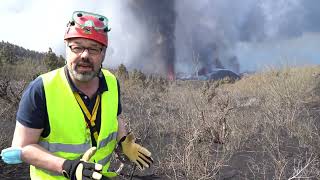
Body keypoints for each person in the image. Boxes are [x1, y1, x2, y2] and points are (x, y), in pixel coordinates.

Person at [10, 10, 153, 179]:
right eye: (77, 47)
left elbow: (115, 117)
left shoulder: (112, 82)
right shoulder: (41, 89)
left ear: (103, 54)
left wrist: (124, 142)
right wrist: (68, 167)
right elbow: (23, 147)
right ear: (67, 49)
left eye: (93, 49)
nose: (85, 55)